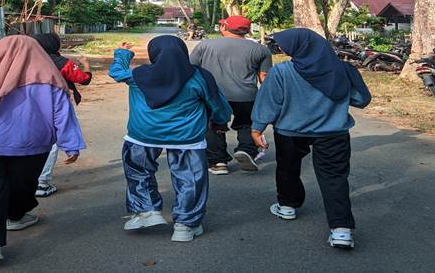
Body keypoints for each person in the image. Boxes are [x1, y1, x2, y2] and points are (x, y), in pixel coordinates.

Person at [0, 35, 86, 264]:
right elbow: (62, 112)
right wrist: (70, 144)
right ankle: (15, 216)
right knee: (21, 185)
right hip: (30, 147)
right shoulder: (50, 78)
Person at [250, 28, 371, 250]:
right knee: (334, 178)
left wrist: (257, 128)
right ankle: (341, 230)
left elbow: (269, 102)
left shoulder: (282, 72)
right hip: (333, 132)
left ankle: (287, 206)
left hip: (289, 131)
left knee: (287, 168)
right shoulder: (343, 70)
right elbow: (361, 99)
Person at [108, 35, 231, 242]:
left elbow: (116, 72)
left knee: (138, 171)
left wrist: (122, 53)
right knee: (189, 178)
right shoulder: (199, 76)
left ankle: (147, 210)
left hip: (142, 136)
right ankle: (185, 225)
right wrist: (219, 121)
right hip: (187, 138)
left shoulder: (139, 76)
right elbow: (217, 105)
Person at [190, 15, 272, 175]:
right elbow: (264, 76)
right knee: (246, 123)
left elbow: (191, 69)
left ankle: (218, 162)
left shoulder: (205, 45)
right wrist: (268, 99)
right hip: (246, 95)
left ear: (224, 28)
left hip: (213, 96)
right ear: (247, 31)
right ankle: (247, 150)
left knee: (214, 126)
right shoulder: (261, 49)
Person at [32, 33, 92, 197]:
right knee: (52, 140)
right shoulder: (62, 63)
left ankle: (29, 179)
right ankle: (42, 183)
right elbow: (84, 79)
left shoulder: (28, 61)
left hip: (29, 106)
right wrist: (86, 65)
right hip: (55, 103)